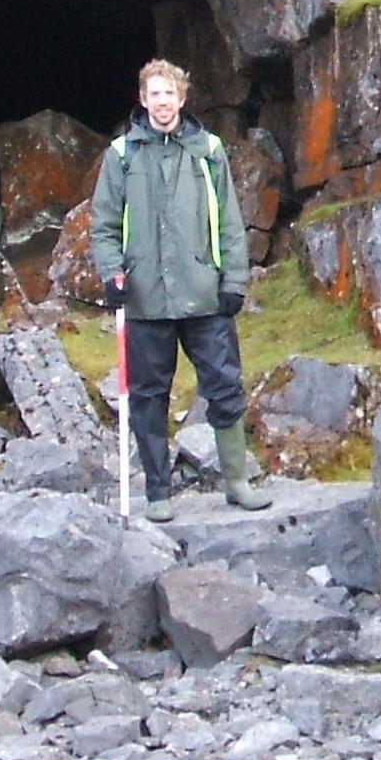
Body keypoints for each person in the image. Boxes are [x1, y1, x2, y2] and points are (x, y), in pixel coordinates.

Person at [89, 58, 273, 524]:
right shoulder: (122, 155)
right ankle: (157, 492)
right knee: (148, 396)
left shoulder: (208, 151)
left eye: (170, 93)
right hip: (145, 299)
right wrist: (112, 274)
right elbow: (103, 225)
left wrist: (234, 281)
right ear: (143, 99)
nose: (163, 101)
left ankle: (237, 483)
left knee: (224, 385)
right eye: (155, 93)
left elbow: (231, 224)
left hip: (204, 294)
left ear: (182, 98)